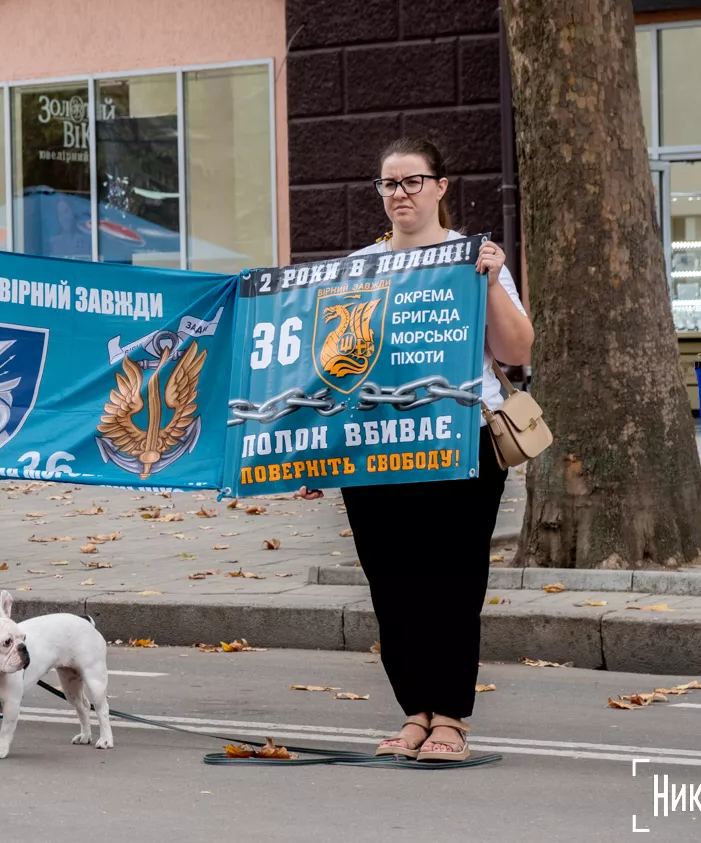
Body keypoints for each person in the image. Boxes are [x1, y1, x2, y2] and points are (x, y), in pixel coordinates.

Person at [298, 138, 533, 763]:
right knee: (391, 582)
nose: (399, 194)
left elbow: (516, 351)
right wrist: (314, 452)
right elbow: (331, 372)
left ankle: (452, 718)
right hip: (375, 450)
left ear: (440, 187)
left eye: (411, 182)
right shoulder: (355, 268)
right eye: (388, 184)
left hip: (462, 444)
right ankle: (415, 713)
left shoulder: (473, 261)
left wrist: (490, 281)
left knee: (453, 580)